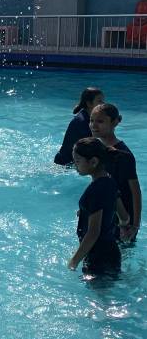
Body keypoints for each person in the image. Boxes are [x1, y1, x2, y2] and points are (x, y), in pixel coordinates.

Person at [68, 138, 128, 277]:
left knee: (98, 291)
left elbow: (93, 232)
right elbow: (124, 217)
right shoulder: (110, 182)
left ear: (93, 162)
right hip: (112, 252)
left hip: (97, 256)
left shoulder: (95, 190)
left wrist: (74, 261)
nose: (75, 165)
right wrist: (86, 211)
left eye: (77, 161)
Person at [89, 103, 141, 241]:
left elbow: (136, 192)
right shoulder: (97, 149)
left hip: (123, 219)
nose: (94, 125)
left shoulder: (123, 155)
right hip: (106, 212)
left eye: (100, 121)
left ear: (115, 122)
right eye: (91, 120)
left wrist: (135, 225)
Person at [54, 87, 104, 166]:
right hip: (66, 164)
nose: (103, 104)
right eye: (99, 101)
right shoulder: (83, 122)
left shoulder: (87, 117)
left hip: (68, 160)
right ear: (89, 103)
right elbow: (93, 147)